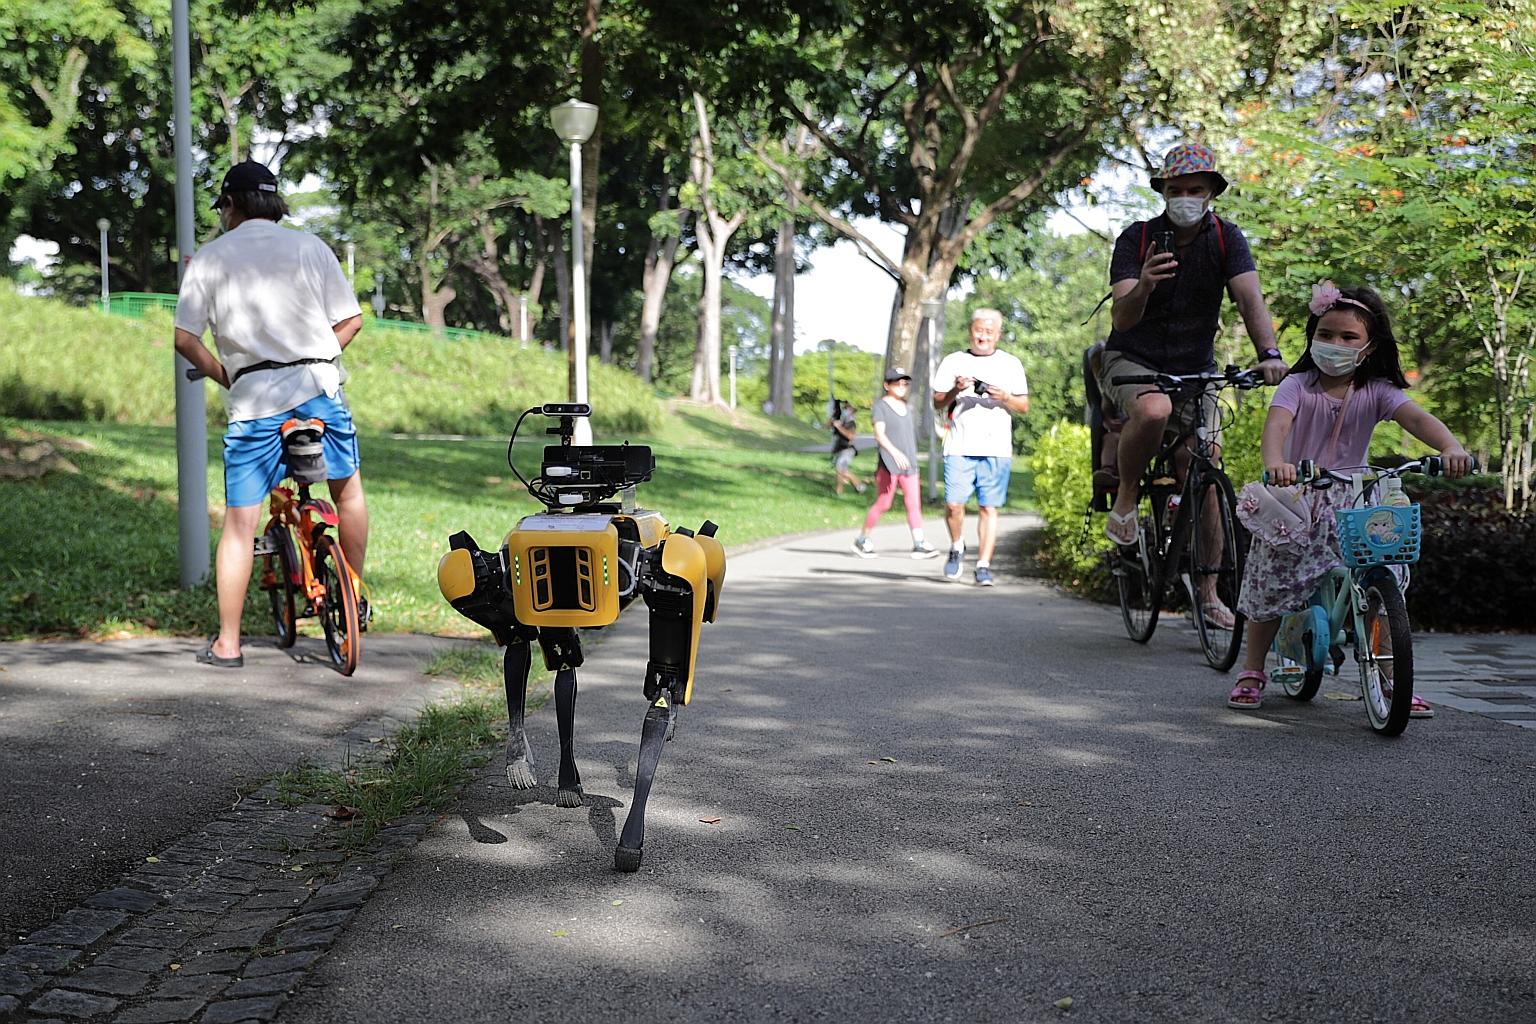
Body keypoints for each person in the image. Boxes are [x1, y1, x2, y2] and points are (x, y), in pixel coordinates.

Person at [1229, 282, 1473, 712]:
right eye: (1325, 334)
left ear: (1369, 346)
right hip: (1297, 498)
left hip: (1357, 500)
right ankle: (1252, 669)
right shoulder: (1297, 385)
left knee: (1384, 575)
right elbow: (1277, 428)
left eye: (1348, 337)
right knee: (1271, 577)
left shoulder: (1376, 391)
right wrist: (1276, 464)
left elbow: (1417, 418)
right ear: (1311, 336)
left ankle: (1389, 675)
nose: (1334, 344)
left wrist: (1450, 447)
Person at [172, 159, 368, 668]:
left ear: (230, 204)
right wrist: (322, 355)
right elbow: (351, 320)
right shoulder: (311, 247)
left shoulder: (210, 259)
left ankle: (228, 643)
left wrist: (227, 374)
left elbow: (184, 338)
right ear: (275, 202)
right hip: (321, 390)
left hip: (256, 401)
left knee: (241, 523)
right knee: (347, 492)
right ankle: (354, 594)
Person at [1097, 140, 1290, 625]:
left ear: (1211, 193)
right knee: (1154, 410)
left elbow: (1249, 300)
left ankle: (1208, 593)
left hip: (1194, 367)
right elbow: (1121, 319)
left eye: (1195, 189)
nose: (1185, 196)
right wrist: (1143, 284)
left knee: (1202, 469)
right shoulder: (1136, 239)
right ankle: (1125, 500)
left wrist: (1270, 355)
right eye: (1176, 189)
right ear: (1163, 191)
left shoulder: (1227, 238)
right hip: (1132, 359)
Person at [930, 308, 1029, 586]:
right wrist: (955, 390)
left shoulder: (1010, 364)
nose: (983, 336)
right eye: (979, 330)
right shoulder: (954, 361)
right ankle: (957, 545)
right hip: (959, 444)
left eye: (989, 331)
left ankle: (983, 565)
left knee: (989, 508)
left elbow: (1023, 406)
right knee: (953, 504)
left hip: (996, 447)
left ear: (998, 334)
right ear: (970, 330)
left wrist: (1004, 396)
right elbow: (937, 402)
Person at [852, 367, 940, 559]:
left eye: (904, 383)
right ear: (887, 385)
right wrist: (894, 453)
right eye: (897, 382)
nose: (901, 386)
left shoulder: (907, 407)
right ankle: (862, 539)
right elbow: (879, 434)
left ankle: (919, 543)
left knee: (913, 503)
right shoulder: (881, 407)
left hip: (909, 464)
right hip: (889, 464)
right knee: (884, 503)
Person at [828, 398, 866, 495]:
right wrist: (833, 417)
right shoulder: (842, 420)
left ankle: (841, 490)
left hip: (847, 449)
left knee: (840, 469)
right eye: (844, 407)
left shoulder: (851, 423)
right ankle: (858, 486)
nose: (845, 409)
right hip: (839, 449)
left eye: (847, 407)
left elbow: (850, 436)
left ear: (852, 410)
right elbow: (827, 426)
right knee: (841, 470)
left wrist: (839, 427)